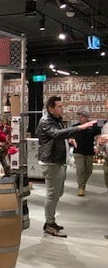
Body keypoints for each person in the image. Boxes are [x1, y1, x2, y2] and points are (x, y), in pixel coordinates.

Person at [37, 96, 96, 237]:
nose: (62, 108)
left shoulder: (56, 120)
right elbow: (55, 134)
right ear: (51, 109)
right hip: (51, 162)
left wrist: (69, 139)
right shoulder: (46, 120)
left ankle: (51, 221)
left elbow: (58, 135)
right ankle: (49, 223)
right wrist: (79, 128)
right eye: (59, 106)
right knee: (52, 194)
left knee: (57, 193)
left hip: (58, 161)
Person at [68, 110, 101, 196]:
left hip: (89, 151)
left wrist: (97, 146)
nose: (80, 118)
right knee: (80, 170)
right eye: (79, 117)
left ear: (87, 118)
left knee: (89, 171)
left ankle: (82, 184)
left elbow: (98, 137)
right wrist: (71, 140)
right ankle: (81, 187)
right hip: (78, 151)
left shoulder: (93, 127)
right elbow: (70, 138)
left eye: (82, 117)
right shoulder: (75, 127)